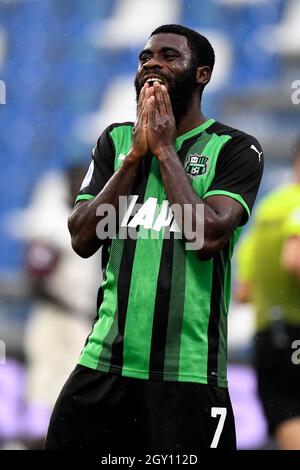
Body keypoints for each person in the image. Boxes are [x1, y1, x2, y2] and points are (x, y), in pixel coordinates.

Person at [45, 24, 263, 452]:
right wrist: (135, 158)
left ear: (202, 74)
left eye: (168, 56)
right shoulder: (115, 141)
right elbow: (82, 236)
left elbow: (208, 237)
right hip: (105, 363)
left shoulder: (236, 148)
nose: (152, 66)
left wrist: (164, 150)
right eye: (145, 58)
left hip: (189, 373)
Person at [235, 140, 300, 450]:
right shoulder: (297, 205)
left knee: (287, 414)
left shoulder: (266, 210)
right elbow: (295, 259)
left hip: (269, 337)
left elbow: (243, 292)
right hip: (295, 328)